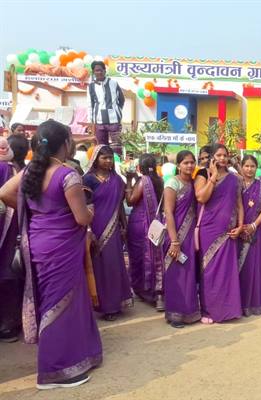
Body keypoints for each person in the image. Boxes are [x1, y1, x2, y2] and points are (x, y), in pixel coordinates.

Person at [0, 120, 101, 388]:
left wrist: (34, 212)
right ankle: (54, 371)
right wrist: (91, 212)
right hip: (62, 247)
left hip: (38, 243)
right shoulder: (68, 175)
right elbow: (81, 218)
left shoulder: (31, 170)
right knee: (60, 306)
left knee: (52, 301)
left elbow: (4, 193)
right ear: (66, 143)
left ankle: (75, 356)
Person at [83, 145, 133, 321]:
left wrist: (124, 226)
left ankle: (115, 303)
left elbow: (120, 205)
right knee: (98, 267)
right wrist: (89, 230)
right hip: (95, 228)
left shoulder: (117, 180)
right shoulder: (87, 180)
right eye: (104, 158)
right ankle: (102, 305)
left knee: (114, 266)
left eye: (110, 158)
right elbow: (84, 206)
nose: (108, 161)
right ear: (96, 159)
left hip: (114, 230)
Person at [195, 144, 243, 323]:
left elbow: (239, 203)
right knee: (209, 271)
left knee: (226, 272)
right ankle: (208, 311)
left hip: (229, 230)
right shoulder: (203, 174)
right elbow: (201, 197)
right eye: (219, 155)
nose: (222, 158)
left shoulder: (234, 179)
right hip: (209, 229)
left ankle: (228, 310)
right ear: (212, 157)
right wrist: (213, 176)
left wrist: (240, 225)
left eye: (225, 155)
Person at [163, 150, 202, 328]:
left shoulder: (195, 183)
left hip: (191, 236)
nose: (190, 165)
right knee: (176, 275)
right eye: (186, 162)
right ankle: (175, 315)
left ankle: (189, 312)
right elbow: (168, 212)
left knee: (189, 274)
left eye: (192, 162)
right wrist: (174, 241)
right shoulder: (173, 183)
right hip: (176, 235)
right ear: (178, 165)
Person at [126, 154, 165, 311]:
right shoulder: (159, 181)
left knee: (140, 257)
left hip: (140, 223)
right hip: (156, 223)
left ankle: (144, 290)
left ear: (140, 167)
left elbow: (131, 200)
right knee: (155, 256)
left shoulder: (143, 181)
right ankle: (158, 293)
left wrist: (129, 181)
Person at [238, 155, 261, 316]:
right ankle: (239, 304)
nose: (249, 169)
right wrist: (240, 227)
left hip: (256, 231)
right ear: (242, 167)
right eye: (247, 166)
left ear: (256, 168)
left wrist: (253, 225)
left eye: (252, 166)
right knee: (239, 268)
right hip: (238, 231)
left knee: (254, 267)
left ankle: (253, 304)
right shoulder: (236, 184)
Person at [0, 138, 20, 343]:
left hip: (6, 229)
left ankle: (8, 323)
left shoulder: (7, 169)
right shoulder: (11, 169)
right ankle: (9, 324)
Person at [87, 61, 125, 155]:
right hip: (99, 121)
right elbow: (90, 104)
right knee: (102, 147)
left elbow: (121, 99)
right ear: (93, 72)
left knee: (116, 146)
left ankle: (117, 163)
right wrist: (90, 121)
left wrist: (117, 111)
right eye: (96, 70)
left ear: (104, 71)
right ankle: (105, 163)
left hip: (113, 120)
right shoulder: (91, 86)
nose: (99, 72)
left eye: (101, 70)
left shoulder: (113, 83)